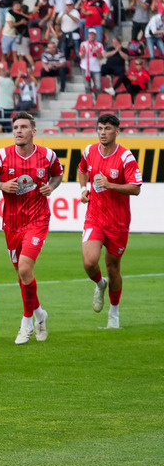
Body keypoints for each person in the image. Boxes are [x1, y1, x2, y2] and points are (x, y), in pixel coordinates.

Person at [0, 112, 63, 344]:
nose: (18, 131)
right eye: (15, 127)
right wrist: (2, 185)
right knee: (23, 276)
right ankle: (40, 314)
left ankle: (26, 323)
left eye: (23, 127)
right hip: (12, 223)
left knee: (24, 270)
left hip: (38, 219)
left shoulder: (47, 155)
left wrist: (51, 187)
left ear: (33, 131)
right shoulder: (1, 156)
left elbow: (57, 175)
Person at [77, 113, 143, 329]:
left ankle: (114, 313)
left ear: (117, 131)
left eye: (107, 129)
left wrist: (110, 184)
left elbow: (135, 188)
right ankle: (99, 284)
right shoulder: (89, 151)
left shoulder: (126, 157)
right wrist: (84, 189)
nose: (103, 133)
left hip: (118, 222)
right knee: (89, 262)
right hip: (94, 217)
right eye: (100, 128)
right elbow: (81, 169)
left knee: (113, 267)